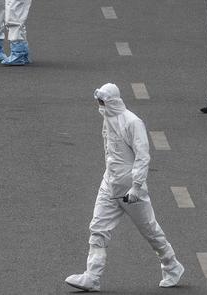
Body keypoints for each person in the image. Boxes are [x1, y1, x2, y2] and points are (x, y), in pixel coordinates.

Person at [65, 83, 184, 292]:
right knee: (98, 229)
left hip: (130, 189)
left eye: (102, 102)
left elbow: (142, 155)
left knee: (150, 230)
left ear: (111, 101)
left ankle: (172, 265)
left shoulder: (132, 122)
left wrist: (137, 187)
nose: (100, 105)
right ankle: (92, 276)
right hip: (109, 183)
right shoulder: (107, 119)